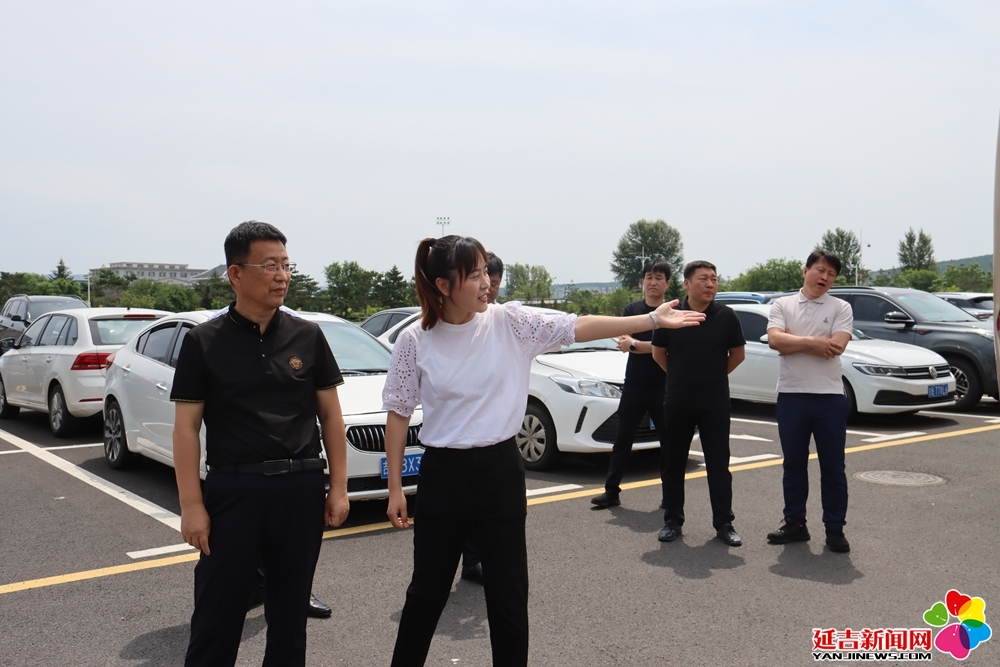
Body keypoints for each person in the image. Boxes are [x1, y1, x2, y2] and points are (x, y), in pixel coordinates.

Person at [381, 236, 705, 667]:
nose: (486, 283)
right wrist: (396, 488)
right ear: (443, 285)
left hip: (500, 470)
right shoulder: (415, 340)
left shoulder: (510, 323)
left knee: (508, 593)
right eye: (474, 275)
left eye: (486, 272)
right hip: (444, 474)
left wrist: (651, 319)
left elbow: (577, 326)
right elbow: (399, 412)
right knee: (427, 591)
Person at [171, 221, 351, 667]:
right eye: (269, 266)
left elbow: (331, 416)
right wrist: (192, 506)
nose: (282, 276)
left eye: (286, 266)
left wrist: (338, 487)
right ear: (235, 274)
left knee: (290, 619)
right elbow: (186, 428)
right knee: (217, 616)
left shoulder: (307, 336)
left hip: (300, 489)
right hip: (235, 491)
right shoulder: (203, 342)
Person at [651, 261, 746, 546]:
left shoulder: (726, 316)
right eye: (703, 279)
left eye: (714, 279)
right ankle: (672, 520)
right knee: (673, 463)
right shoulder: (671, 315)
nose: (710, 284)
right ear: (687, 284)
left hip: (714, 402)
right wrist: (681, 377)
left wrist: (711, 376)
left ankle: (724, 523)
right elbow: (658, 353)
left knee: (718, 465)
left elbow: (738, 355)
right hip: (678, 400)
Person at [765, 250, 853, 553]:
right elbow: (775, 340)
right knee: (793, 464)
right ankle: (795, 523)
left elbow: (837, 346)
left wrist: (793, 342)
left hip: (829, 398)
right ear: (806, 271)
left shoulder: (841, 307)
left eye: (831, 274)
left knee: (833, 467)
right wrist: (814, 342)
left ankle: (835, 529)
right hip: (791, 396)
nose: (825, 277)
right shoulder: (783, 305)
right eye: (820, 270)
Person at [591, 257, 672, 509]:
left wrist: (636, 345)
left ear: (667, 283)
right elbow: (623, 342)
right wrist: (645, 346)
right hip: (634, 385)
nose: (653, 282)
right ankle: (611, 492)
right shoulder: (632, 310)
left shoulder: (672, 312)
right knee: (622, 440)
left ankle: (670, 497)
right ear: (642, 282)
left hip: (664, 387)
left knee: (669, 444)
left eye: (659, 278)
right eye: (649, 277)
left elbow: (668, 348)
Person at [458, 251, 505, 585]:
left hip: (495, 437)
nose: (489, 286)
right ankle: (471, 561)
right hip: (462, 437)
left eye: (494, 280)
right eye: (480, 277)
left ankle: (479, 560)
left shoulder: (503, 319)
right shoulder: (447, 326)